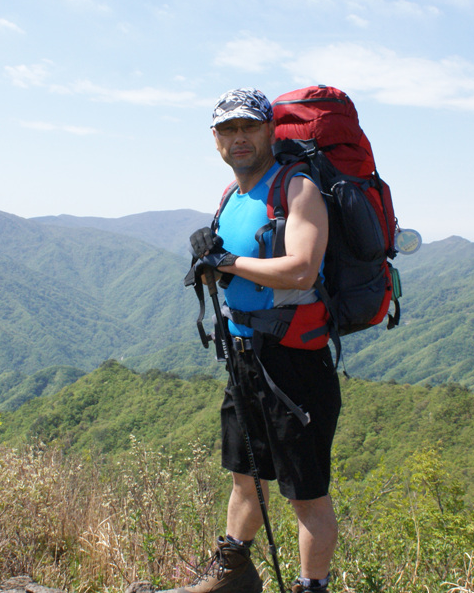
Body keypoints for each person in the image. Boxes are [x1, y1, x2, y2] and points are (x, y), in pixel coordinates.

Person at [176, 88, 341, 593]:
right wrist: (207, 263)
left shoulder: (297, 189)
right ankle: (232, 575)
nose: (238, 138)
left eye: (249, 127)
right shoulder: (231, 197)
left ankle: (310, 587)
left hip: (295, 363)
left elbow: (300, 270)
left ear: (271, 130)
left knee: (305, 494)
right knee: (245, 477)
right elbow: (231, 277)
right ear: (215, 139)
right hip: (245, 357)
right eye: (228, 130)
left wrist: (223, 262)